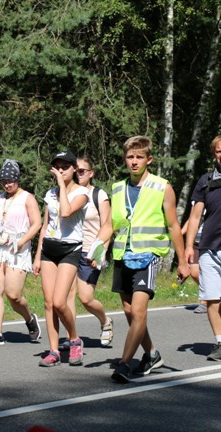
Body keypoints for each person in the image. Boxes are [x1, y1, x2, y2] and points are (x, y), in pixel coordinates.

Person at [97, 136, 189, 383]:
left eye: (139, 157)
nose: (134, 162)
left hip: (147, 256)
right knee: (129, 312)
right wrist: (95, 249)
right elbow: (110, 225)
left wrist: (182, 261)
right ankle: (151, 354)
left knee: (138, 311)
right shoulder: (118, 188)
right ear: (124, 159)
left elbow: (173, 225)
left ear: (149, 159)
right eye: (130, 157)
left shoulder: (162, 187)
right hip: (122, 255)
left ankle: (125, 364)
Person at [33, 150, 88, 367]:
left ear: (74, 168)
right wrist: (37, 255)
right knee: (48, 303)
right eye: (57, 166)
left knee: (59, 302)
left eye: (65, 166)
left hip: (70, 250)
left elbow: (66, 212)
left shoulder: (81, 193)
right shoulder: (49, 194)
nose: (61, 170)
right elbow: (46, 225)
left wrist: (62, 186)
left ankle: (74, 339)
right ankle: (54, 350)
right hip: (49, 249)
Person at [0, 159, 42, 347]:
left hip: (18, 248)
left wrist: (22, 241)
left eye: (11, 180)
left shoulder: (27, 198)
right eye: (4, 180)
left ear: (18, 179)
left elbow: (37, 224)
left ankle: (29, 319)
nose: (7, 184)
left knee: (13, 294)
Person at [65, 156, 114, 347]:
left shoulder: (99, 195)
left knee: (85, 298)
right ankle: (72, 337)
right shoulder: (70, 194)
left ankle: (105, 321)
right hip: (70, 249)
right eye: (75, 171)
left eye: (82, 171)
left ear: (91, 173)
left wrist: (99, 253)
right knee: (68, 295)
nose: (78, 174)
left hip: (90, 251)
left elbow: (108, 226)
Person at [185, 135, 221, 362]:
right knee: (212, 298)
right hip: (209, 248)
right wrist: (189, 246)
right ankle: (220, 342)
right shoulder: (206, 181)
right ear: (214, 154)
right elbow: (195, 215)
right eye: (219, 151)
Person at [181, 214, 206, 313]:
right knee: (194, 272)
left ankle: (205, 301)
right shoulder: (197, 200)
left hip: (212, 241)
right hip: (195, 242)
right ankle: (210, 297)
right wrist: (180, 233)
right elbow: (192, 218)